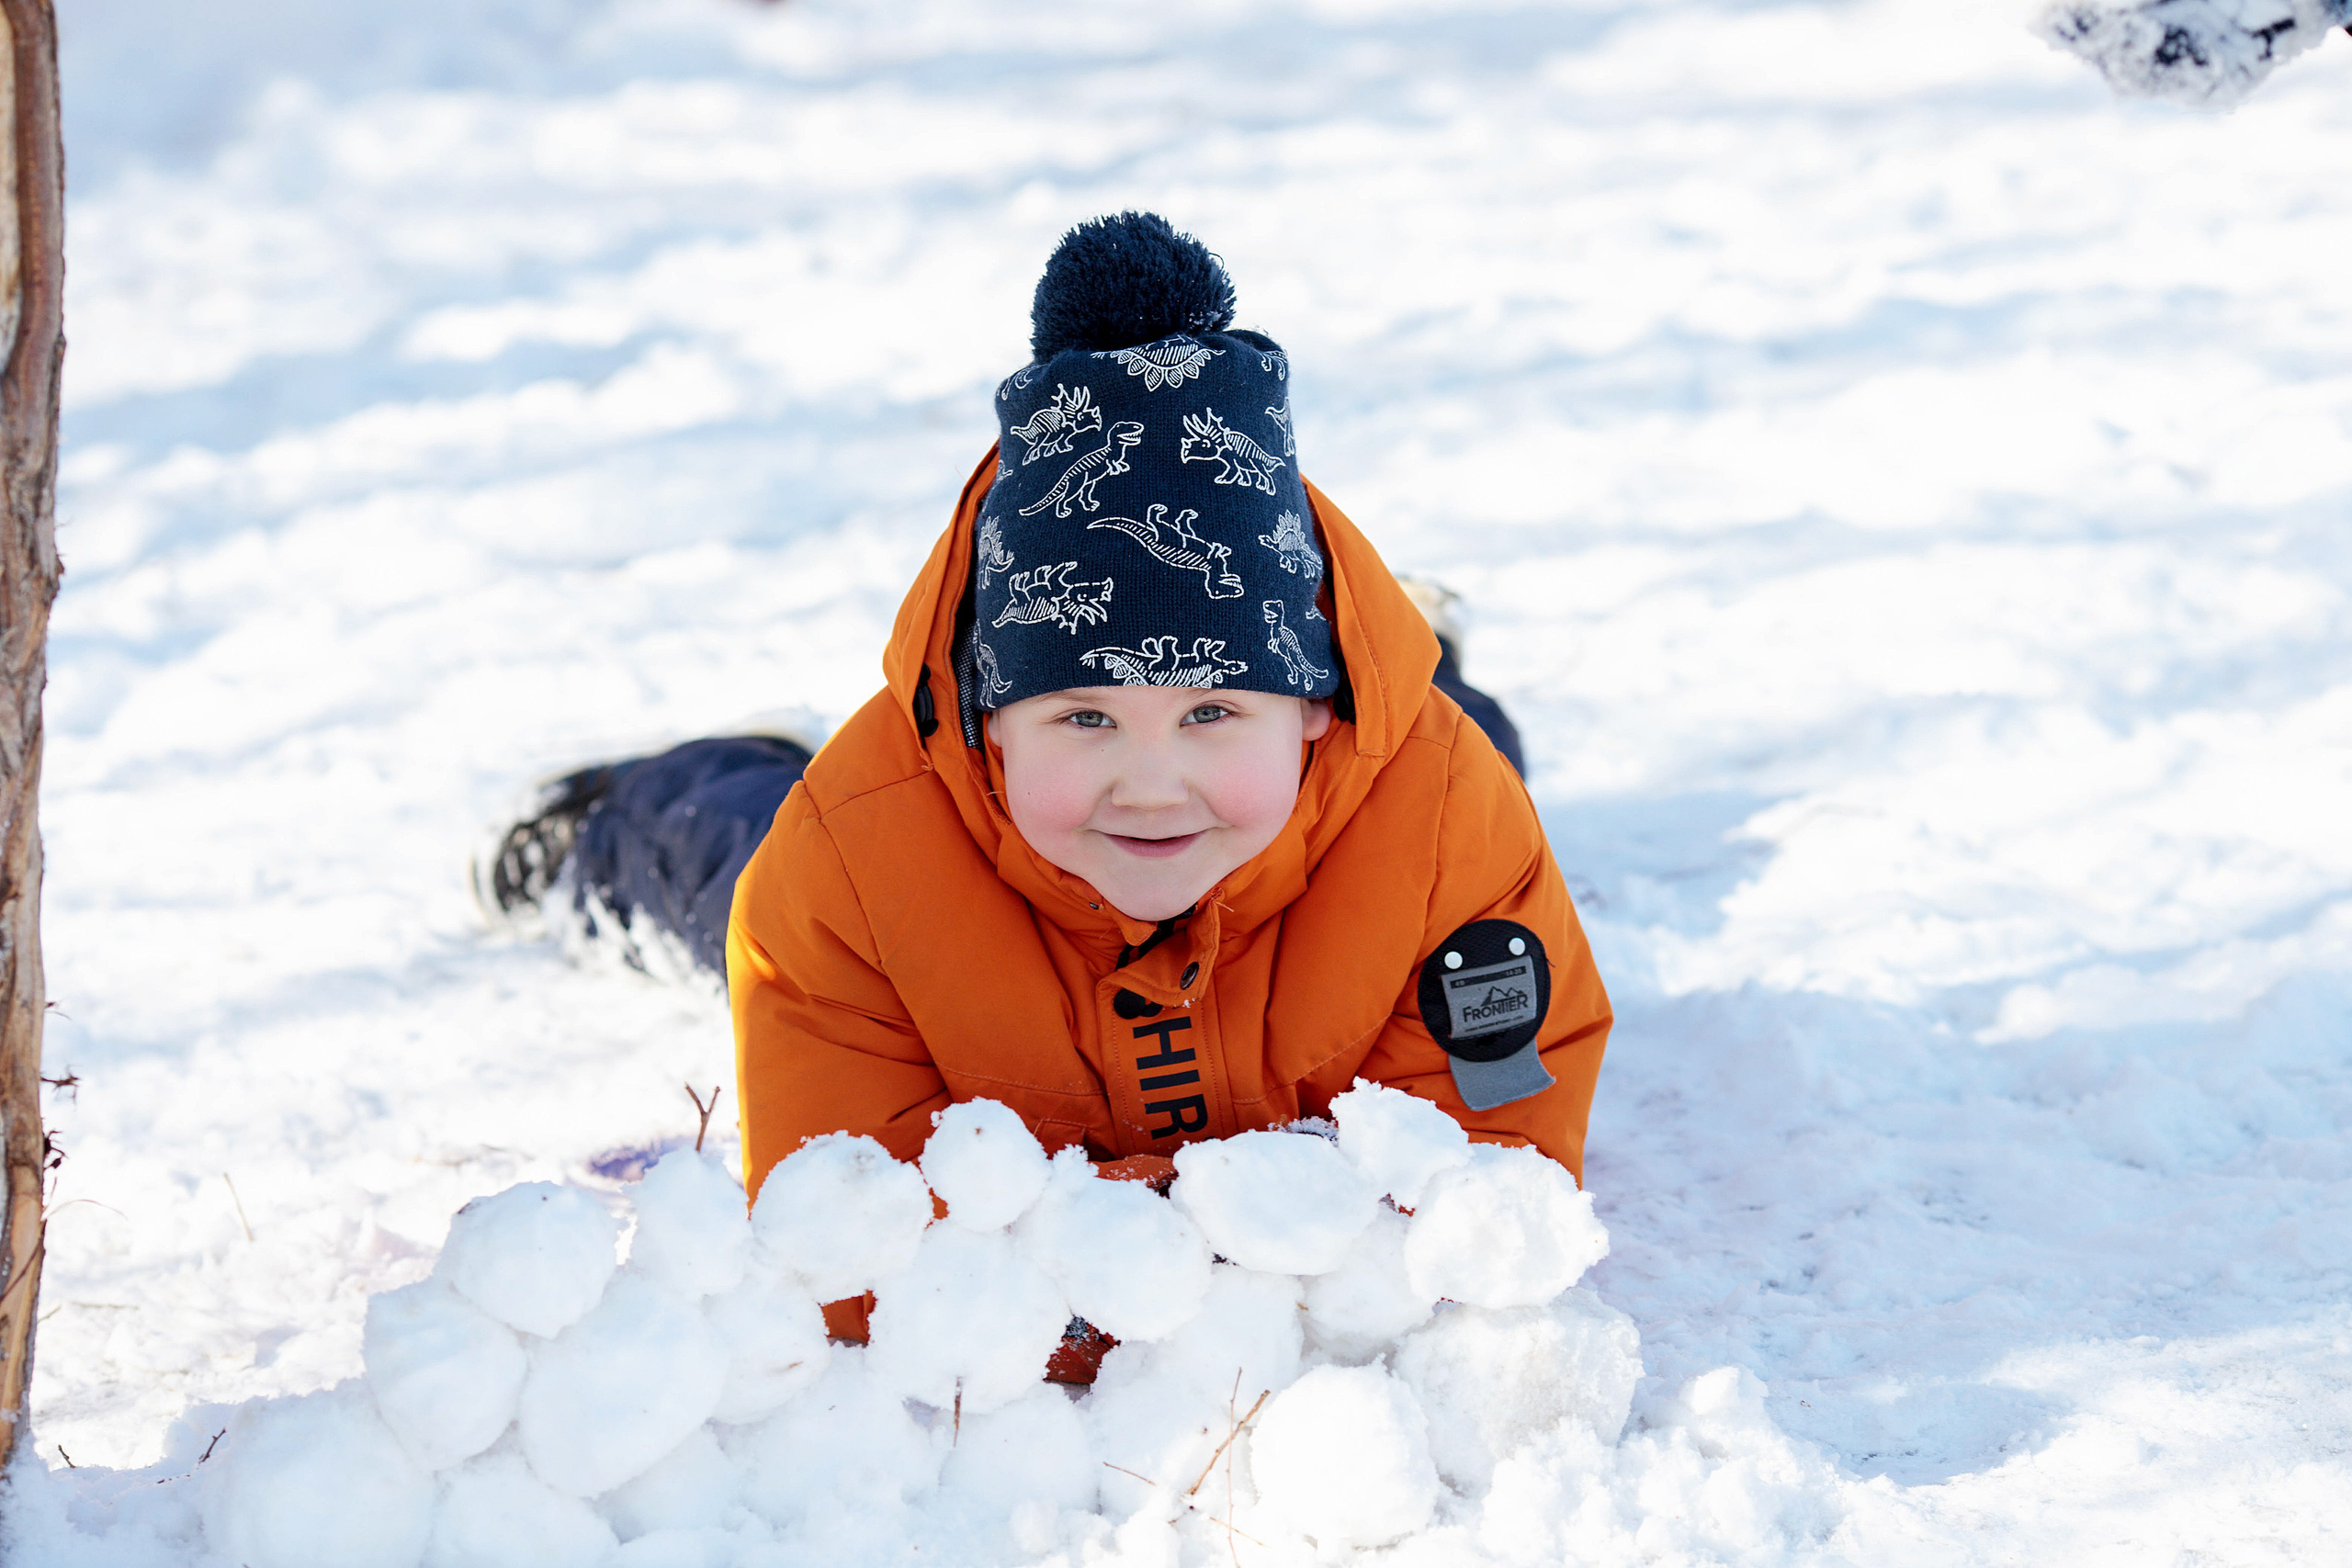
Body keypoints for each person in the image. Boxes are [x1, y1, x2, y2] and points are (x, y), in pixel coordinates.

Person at [486, 214, 1611, 1348]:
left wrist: (1119, 1254)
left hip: (1372, 783)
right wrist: (1264, 1249)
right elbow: (846, 1245)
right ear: (986, 724)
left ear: (1320, 701)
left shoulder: (1442, 814)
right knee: (732, 855)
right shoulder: (854, 860)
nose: (1152, 786)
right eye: (1084, 715)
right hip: (939, 859)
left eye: (1211, 709)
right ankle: (611, 820)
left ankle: (1420, 647)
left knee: (1458, 752)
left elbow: (1491, 1180)